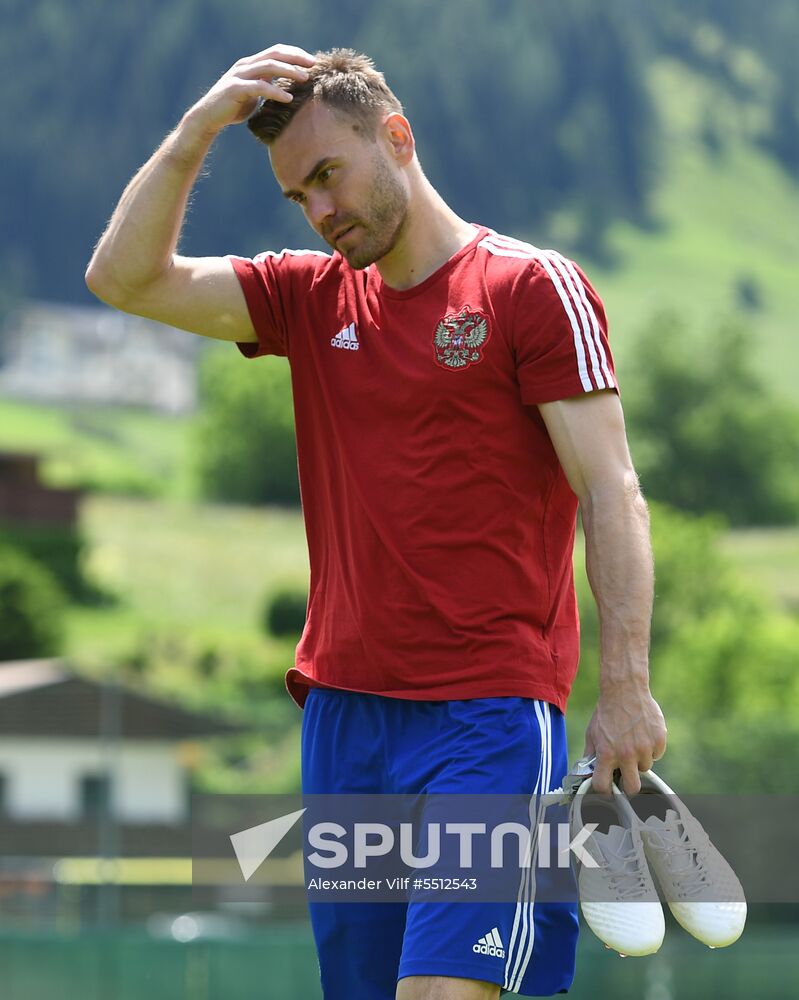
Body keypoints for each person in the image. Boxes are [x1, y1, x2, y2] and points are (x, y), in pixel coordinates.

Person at [86, 43, 667, 1000]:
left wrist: (627, 685)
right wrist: (198, 130)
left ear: (395, 138)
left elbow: (615, 493)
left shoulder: (529, 289)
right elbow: (124, 278)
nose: (319, 212)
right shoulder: (307, 298)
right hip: (344, 722)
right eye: (297, 197)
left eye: (328, 176)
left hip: (486, 718)